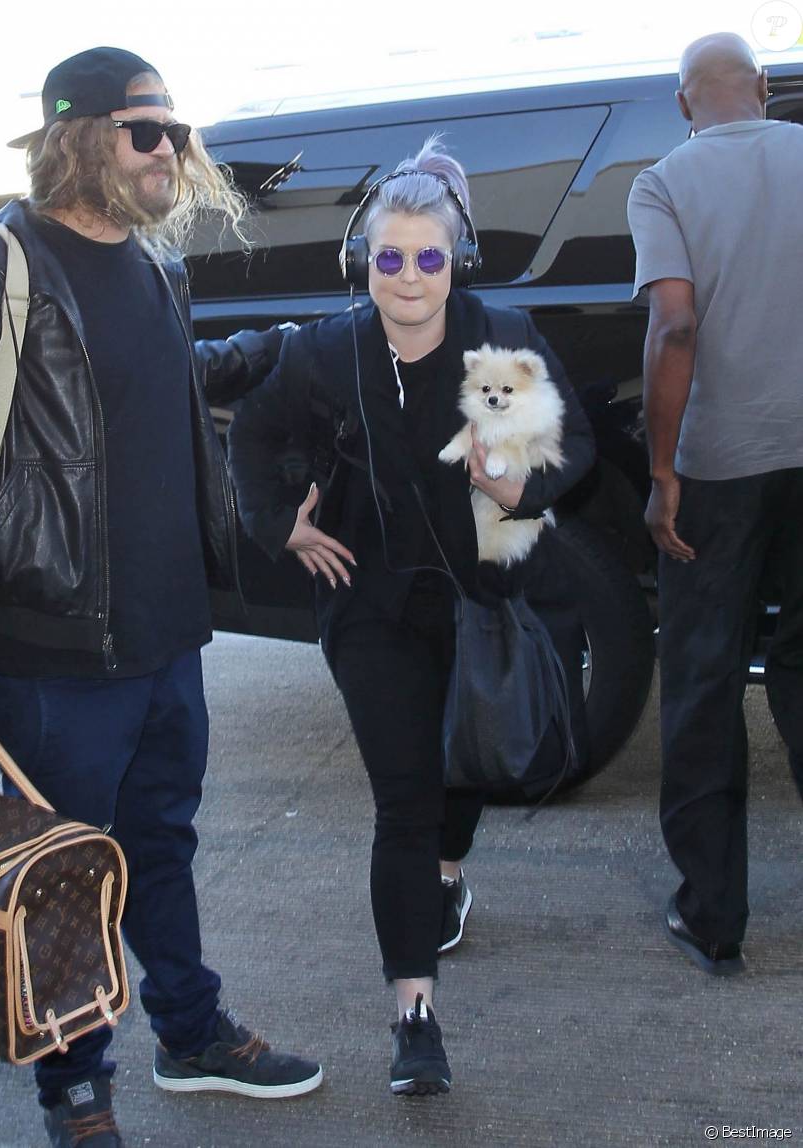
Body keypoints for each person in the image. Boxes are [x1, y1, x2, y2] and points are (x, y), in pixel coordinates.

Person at [0, 47, 322, 1148]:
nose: (167, 151)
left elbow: (160, 387)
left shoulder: (157, 271)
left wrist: (286, 349)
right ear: (76, 137)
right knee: (62, 868)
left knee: (161, 843)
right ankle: (76, 1089)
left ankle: (191, 1027)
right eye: (143, 131)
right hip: (56, 645)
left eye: (173, 131)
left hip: (170, 632)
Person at [228, 138, 595, 1094]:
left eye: (428, 257)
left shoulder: (503, 336)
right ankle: (415, 1016)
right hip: (371, 605)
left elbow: (578, 447)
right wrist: (281, 526)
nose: (408, 276)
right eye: (389, 257)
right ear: (366, 261)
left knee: (460, 778)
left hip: (486, 601)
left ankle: (446, 869)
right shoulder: (324, 349)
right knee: (404, 798)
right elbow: (255, 434)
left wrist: (520, 483)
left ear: (455, 260)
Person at [627, 33, 803, 977]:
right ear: (766, 91)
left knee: (702, 683)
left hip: (722, 467)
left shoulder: (663, 184)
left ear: (684, 101)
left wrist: (664, 474)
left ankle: (713, 919)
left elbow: (677, 321)